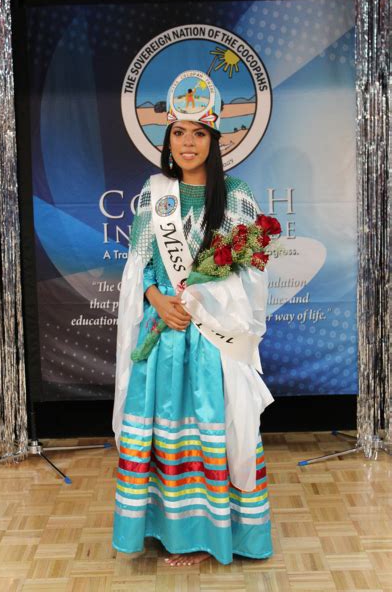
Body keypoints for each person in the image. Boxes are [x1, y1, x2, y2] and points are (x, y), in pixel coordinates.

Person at [112, 70, 274, 566]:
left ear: (214, 139)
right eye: (179, 133)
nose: (187, 143)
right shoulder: (155, 191)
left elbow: (251, 273)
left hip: (211, 341)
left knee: (212, 429)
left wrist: (207, 298)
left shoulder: (238, 194)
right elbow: (138, 265)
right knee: (165, 431)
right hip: (165, 337)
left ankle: (209, 536)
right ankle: (166, 530)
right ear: (168, 139)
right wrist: (157, 299)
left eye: (198, 133)